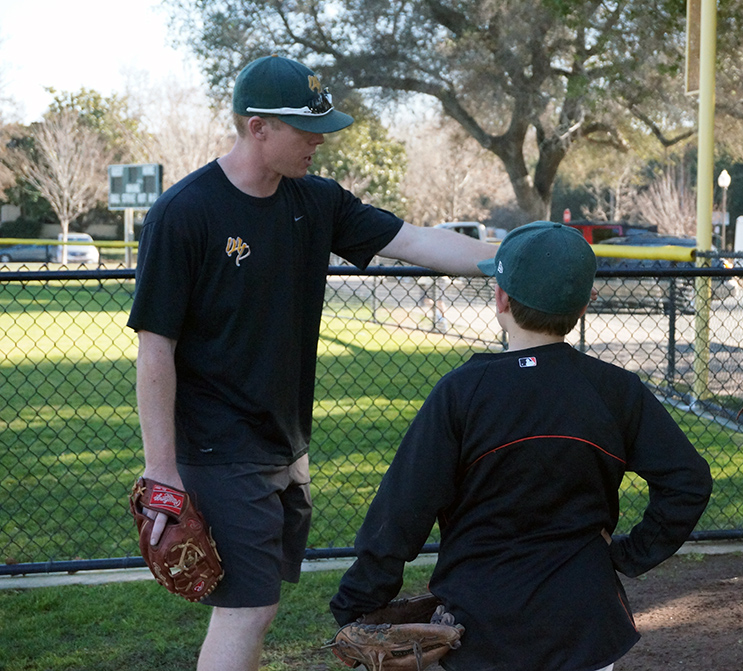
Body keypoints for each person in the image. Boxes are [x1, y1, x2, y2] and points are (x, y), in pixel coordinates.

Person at [126, 55, 496, 671]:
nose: (319, 140)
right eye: (305, 128)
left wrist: (510, 258)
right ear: (258, 127)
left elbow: (415, 241)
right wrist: (162, 471)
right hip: (217, 447)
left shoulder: (315, 201)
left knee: (253, 607)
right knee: (246, 609)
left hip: (283, 446)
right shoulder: (185, 212)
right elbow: (154, 347)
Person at [330, 221, 713, 671]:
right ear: (585, 305)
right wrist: (629, 553)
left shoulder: (462, 392)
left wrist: (356, 603)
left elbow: (401, 512)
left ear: (501, 299)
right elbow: (688, 482)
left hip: (482, 626)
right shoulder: (616, 391)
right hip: (585, 622)